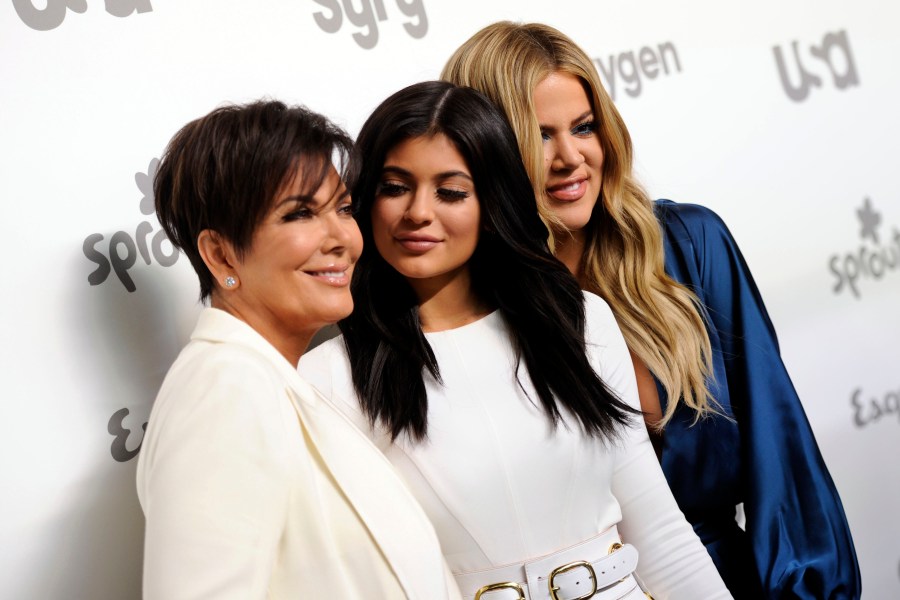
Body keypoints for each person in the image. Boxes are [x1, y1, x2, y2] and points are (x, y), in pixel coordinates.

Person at [441, 21, 861, 599]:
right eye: (537, 136)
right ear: (482, 150)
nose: (570, 157)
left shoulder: (689, 246)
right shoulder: (461, 312)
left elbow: (781, 456)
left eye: (584, 127)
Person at [299, 80, 732, 600]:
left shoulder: (581, 321)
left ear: (492, 201)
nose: (418, 212)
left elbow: (662, 535)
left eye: (451, 192)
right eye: (395, 187)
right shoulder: (327, 377)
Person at [136, 100, 460, 599]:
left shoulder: (274, 381)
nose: (343, 239)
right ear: (220, 253)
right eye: (301, 214)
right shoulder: (226, 388)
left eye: (345, 209)